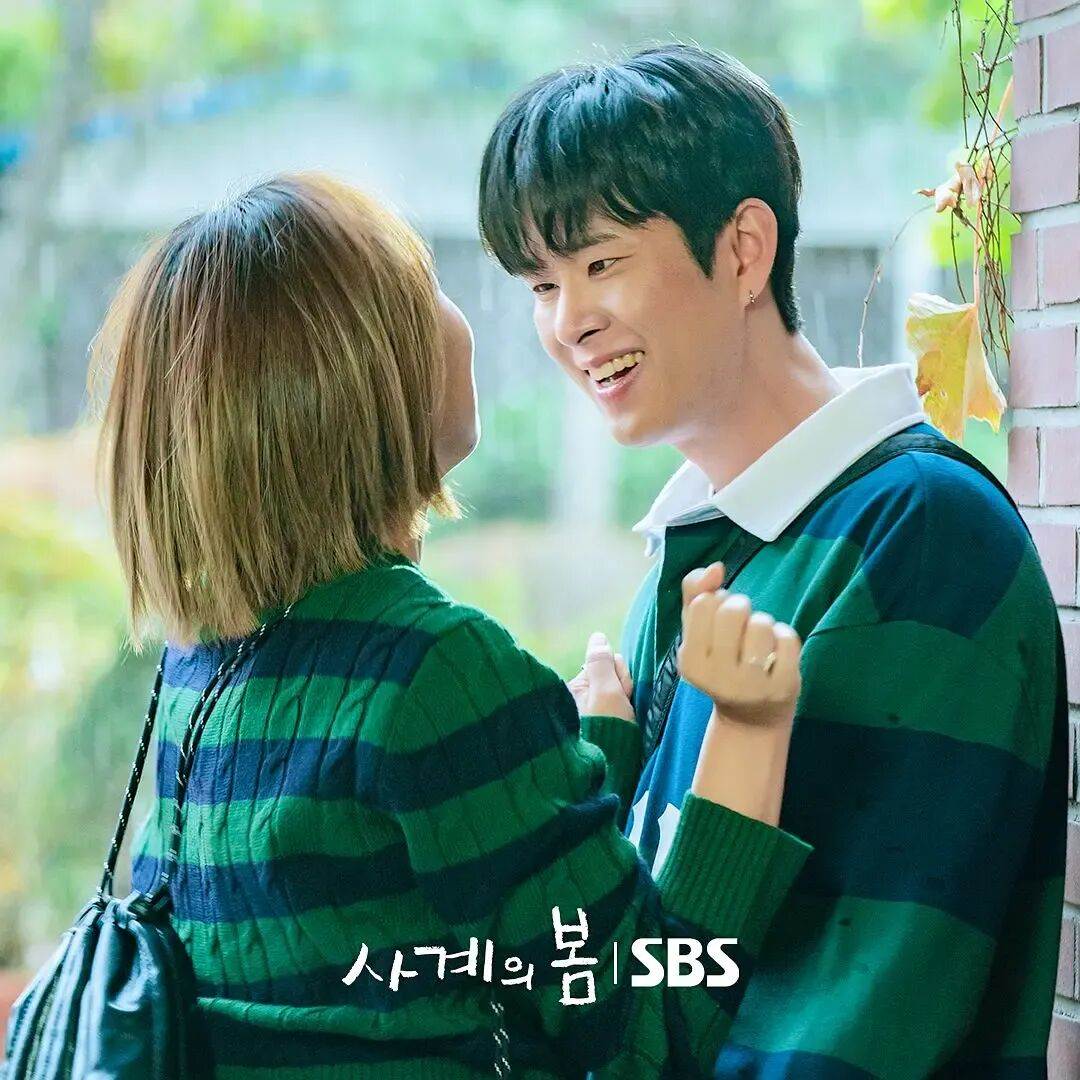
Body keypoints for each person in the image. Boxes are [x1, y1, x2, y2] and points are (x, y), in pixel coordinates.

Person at [92, 171, 811, 1079]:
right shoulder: (434, 669)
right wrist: (748, 725)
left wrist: (587, 759)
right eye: (424, 284)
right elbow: (644, 1032)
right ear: (359, 377)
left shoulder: (202, 662)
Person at [478, 43, 1067, 1078]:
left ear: (745, 251)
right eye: (541, 284)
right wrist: (604, 771)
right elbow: (649, 972)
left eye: (601, 264)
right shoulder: (701, 547)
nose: (569, 323)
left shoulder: (920, 535)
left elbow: (866, 1012)